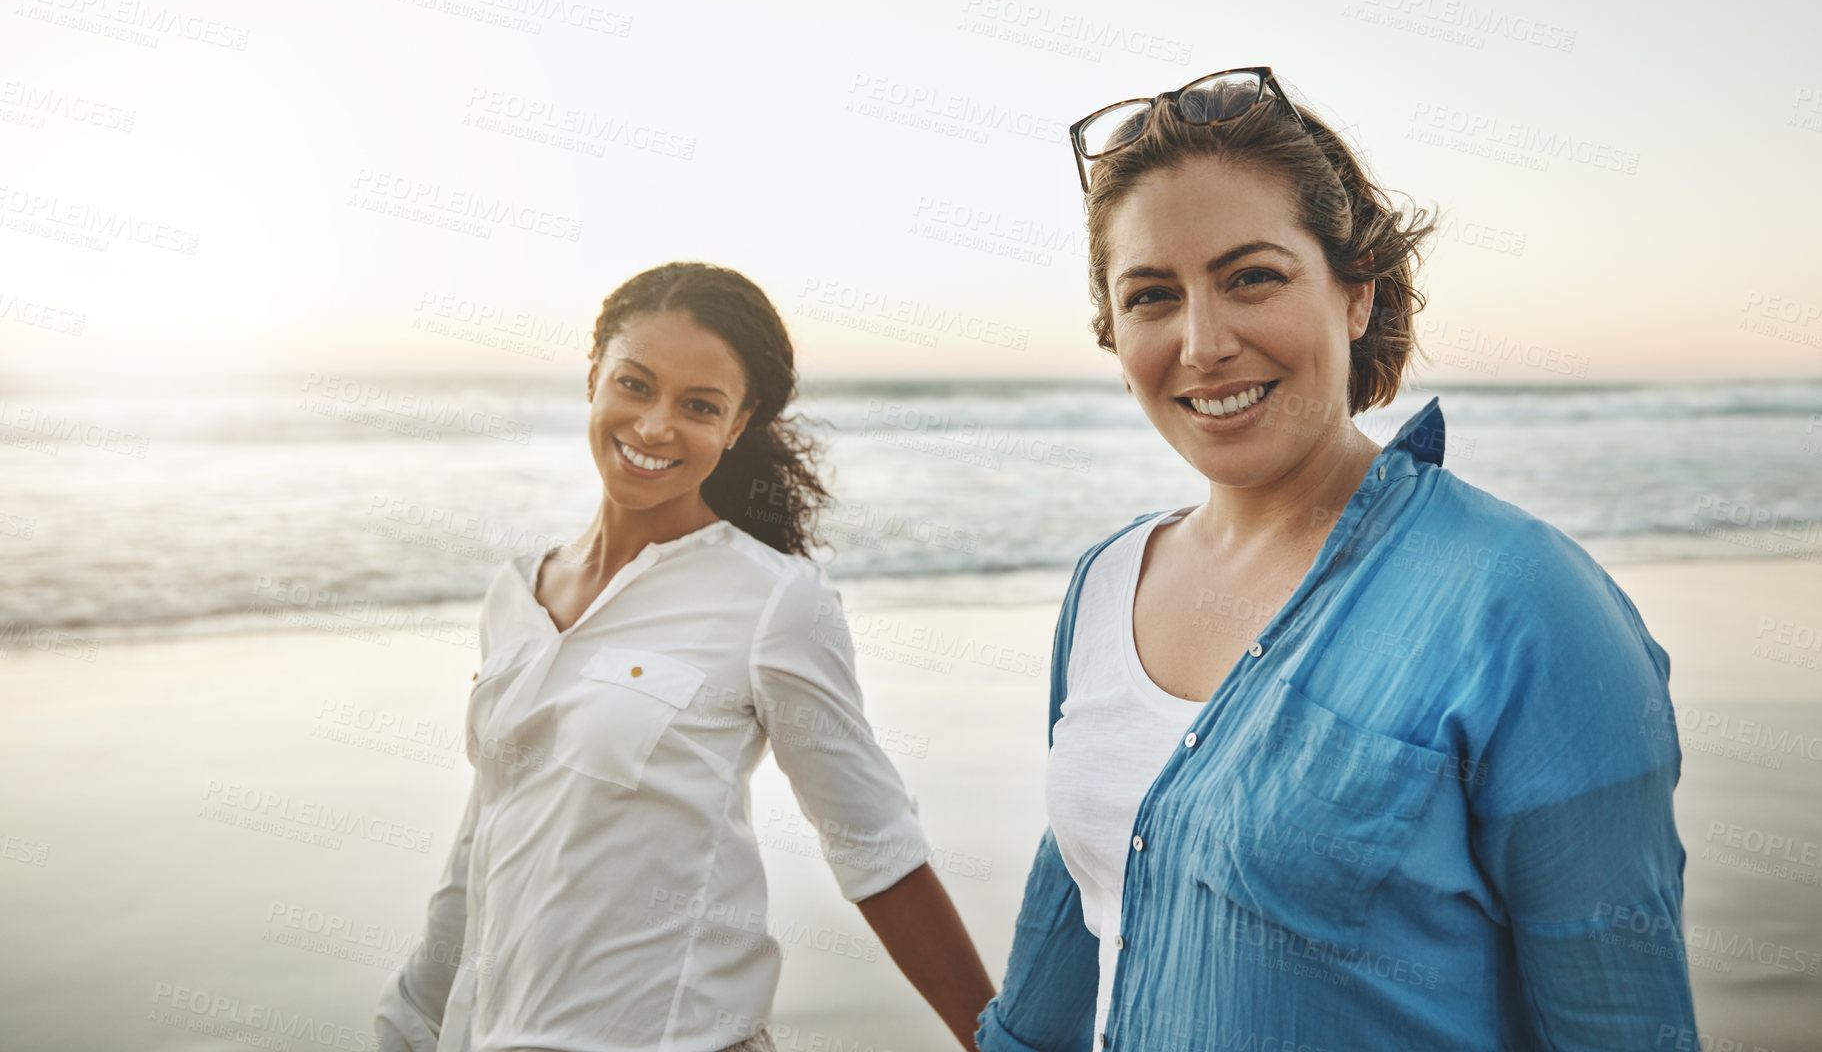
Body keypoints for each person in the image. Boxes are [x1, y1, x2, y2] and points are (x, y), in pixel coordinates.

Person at [975, 68, 1698, 1051]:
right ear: (1114, 329)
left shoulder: (1523, 606)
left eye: (1251, 278)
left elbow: (1621, 1025)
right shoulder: (1107, 581)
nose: (1202, 343)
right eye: (1152, 296)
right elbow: (1069, 919)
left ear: (1354, 293)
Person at [375, 261, 994, 1052]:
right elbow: (485, 835)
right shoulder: (516, 594)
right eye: (635, 385)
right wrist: (409, 1018)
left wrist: (999, 1043)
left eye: (699, 406)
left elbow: (876, 848)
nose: (656, 426)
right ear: (593, 376)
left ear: (738, 424)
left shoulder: (774, 600)